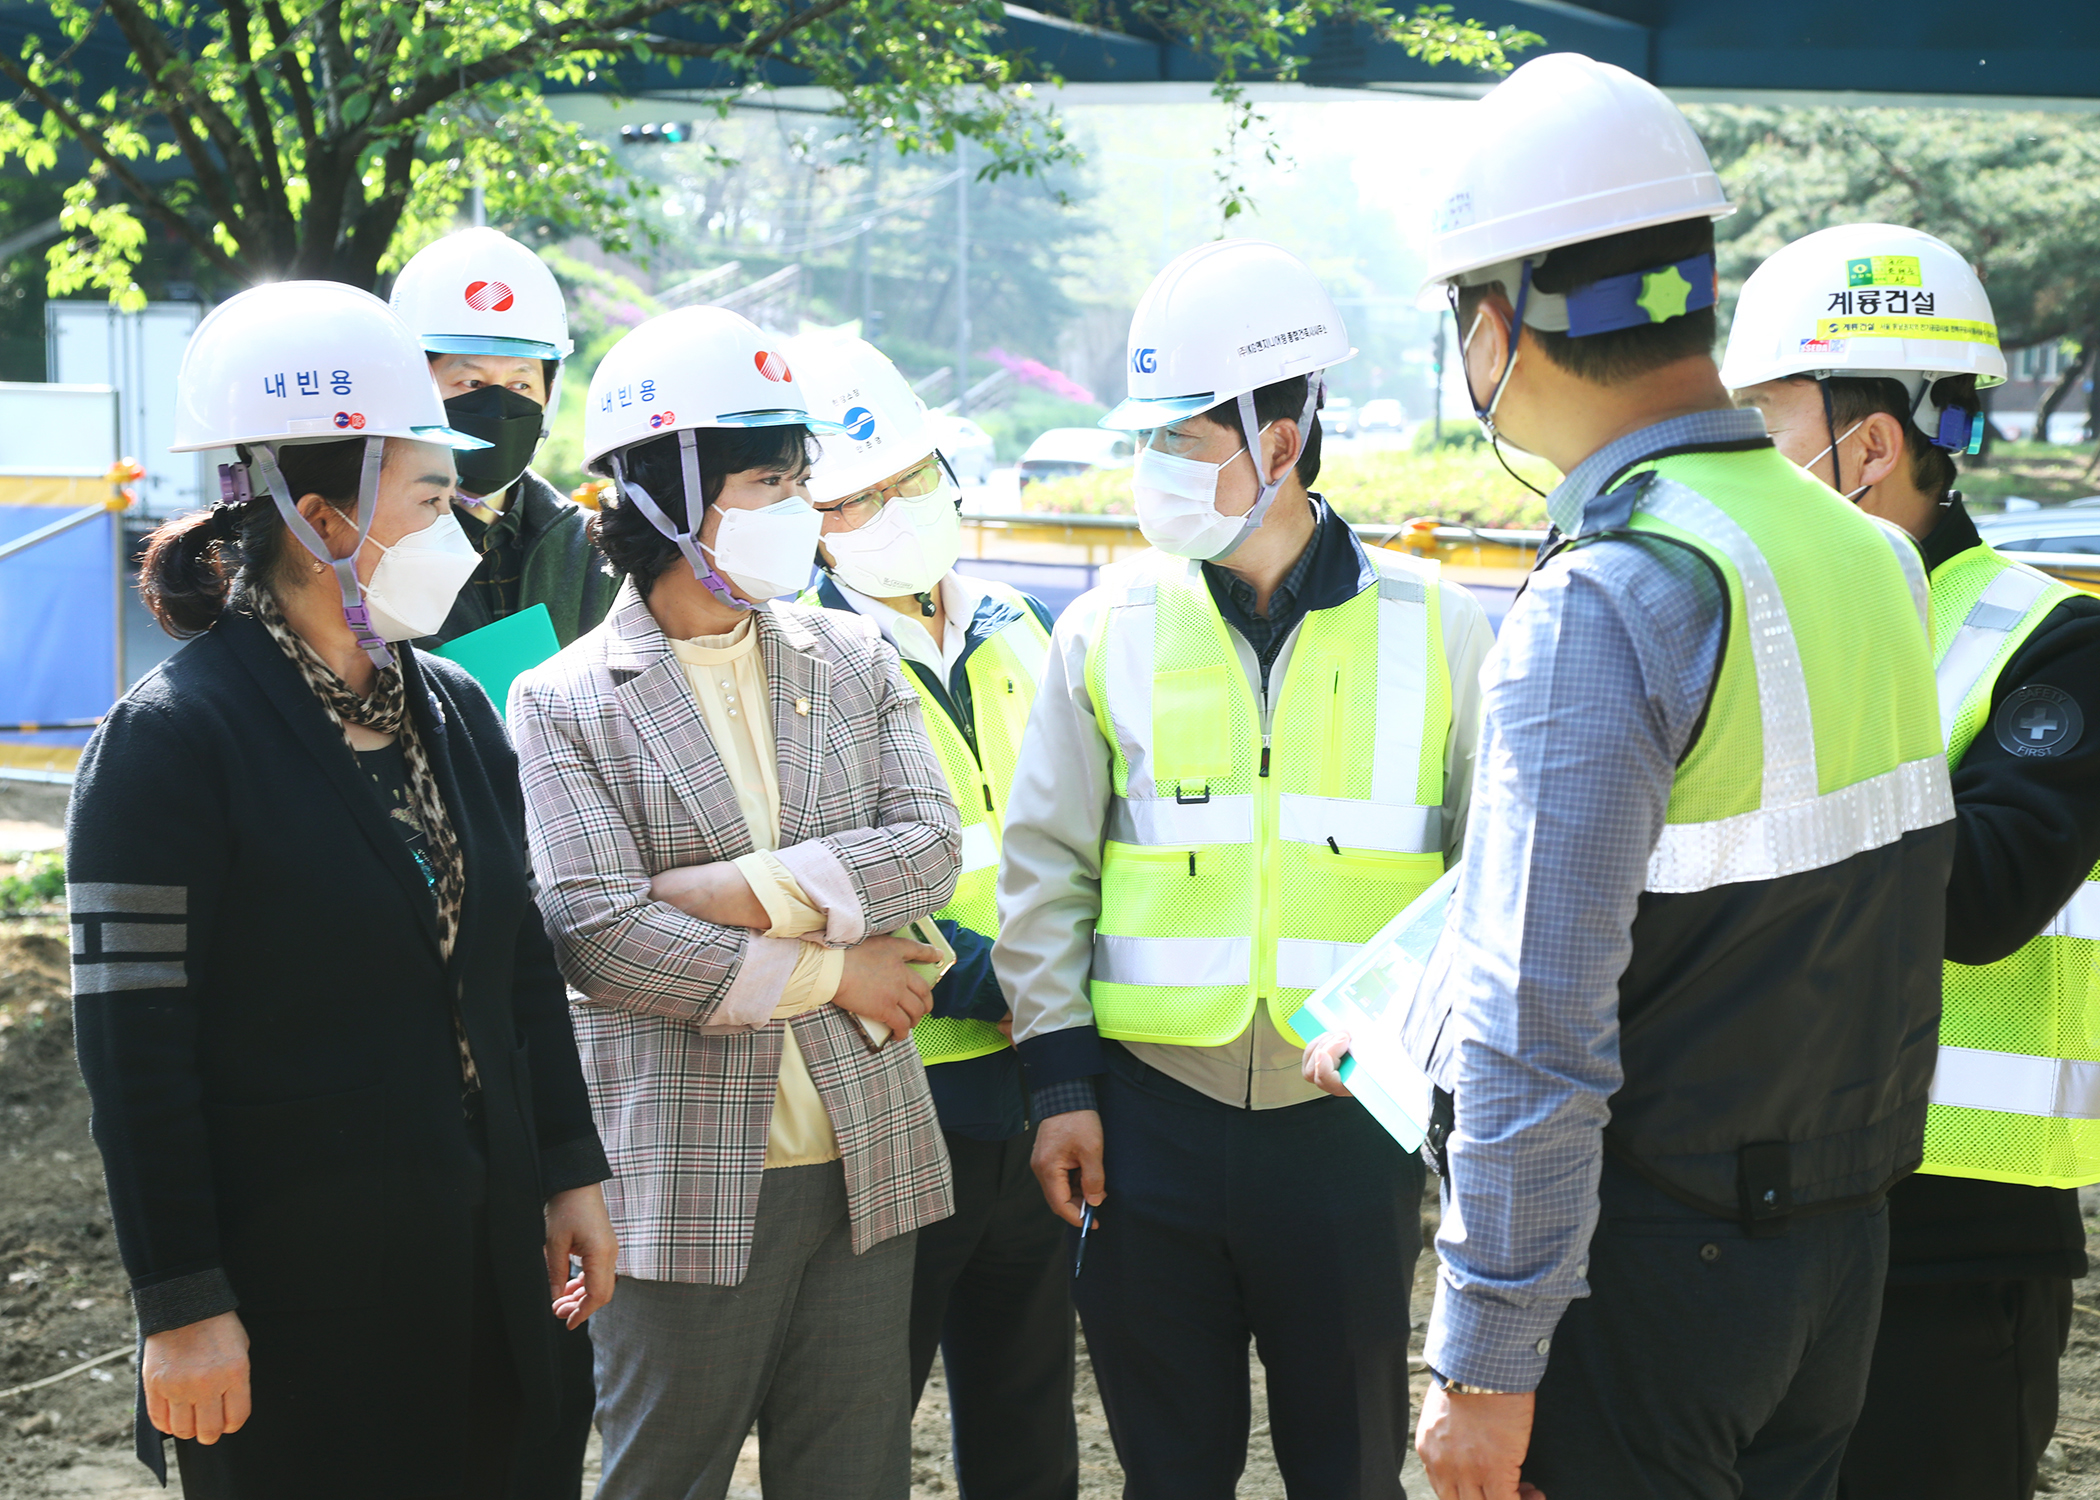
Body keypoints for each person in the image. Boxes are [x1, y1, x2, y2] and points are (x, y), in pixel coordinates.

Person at [1303, 53, 1955, 1499]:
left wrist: (1484, 1360)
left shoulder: (1607, 600)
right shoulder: (1870, 558)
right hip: (1835, 1259)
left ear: (1498, 322)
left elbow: (1545, 1027)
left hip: (1641, 1277)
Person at [68, 281, 617, 1497]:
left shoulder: (456, 707)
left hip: (485, 1265)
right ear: (320, 515)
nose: (457, 529)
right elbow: (133, 1053)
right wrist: (182, 1304)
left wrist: (569, 1171)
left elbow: (520, 963)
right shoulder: (170, 743)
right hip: (299, 1300)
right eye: (429, 498)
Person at [995, 237, 1493, 1499]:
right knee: (1169, 1471)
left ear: (1281, 440)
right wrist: (1059, 1082)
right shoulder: (1107, 625)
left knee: (1351, 1471)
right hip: (1145, 1121)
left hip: (1352, 1134)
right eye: (1151, 435)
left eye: (1186, 436)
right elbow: (1046, 869)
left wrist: (1429, 1088)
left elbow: (1490, 876)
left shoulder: (1441, 627)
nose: (1157, 465)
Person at [508, 305, 963, 1500]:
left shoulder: (852, 658)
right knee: (664, 1475)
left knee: (854, 1477)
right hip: (678, 1176)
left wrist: (738, 891)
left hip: (868, 1163)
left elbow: (928, 851)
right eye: (770, 481)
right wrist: (835, 966)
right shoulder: (563, 702)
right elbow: (599, 936)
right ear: (665, 498)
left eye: (802, 480)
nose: (803, 511)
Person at [1724, 224, 2100, 1500]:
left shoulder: (2054, 642)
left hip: (1959, 1242)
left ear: (1871, 444)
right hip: (1759, 1212)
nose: (1740, 467)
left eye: (1766, 427)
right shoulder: (1745, 618)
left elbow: (1989, 890)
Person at [788, 330, 1078, 1500]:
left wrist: (1055, 1000)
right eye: (852, 500)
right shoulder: (803, 658)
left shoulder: (1018, 626)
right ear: (804, 518)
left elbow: (1077, 833)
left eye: (907, 481)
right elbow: (836, 884)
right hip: (902, 1089)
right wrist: (1009, 986)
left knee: (1027, 1401)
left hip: (1039, 1087)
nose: (892, 511)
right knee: (866, 1412)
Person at [391, 225, 618, 648]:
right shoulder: (371, 546)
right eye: (472, 383)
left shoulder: (592, 551)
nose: (497, 407)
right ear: (412, 384)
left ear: (549, 394)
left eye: (520, 385)